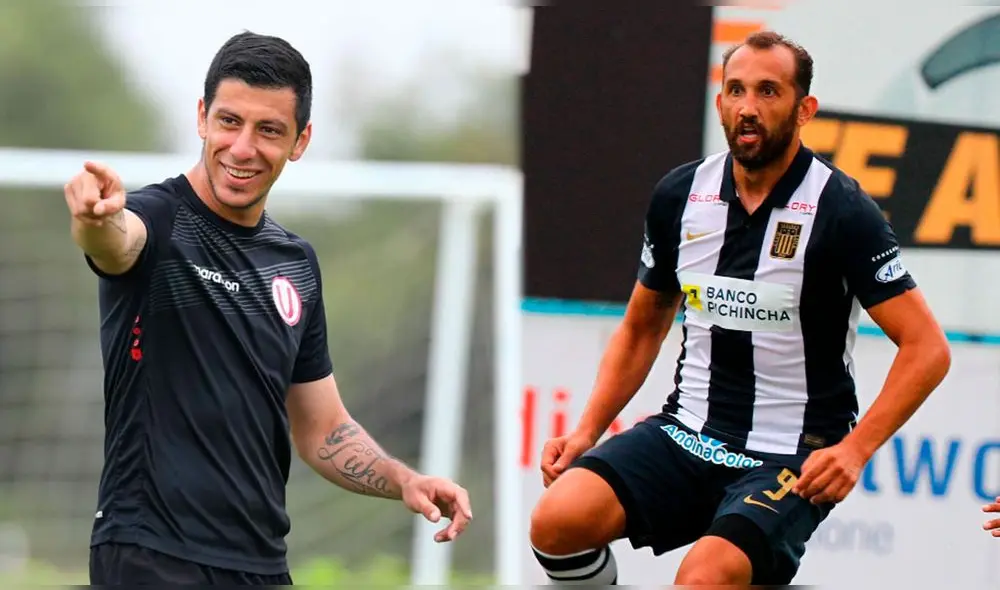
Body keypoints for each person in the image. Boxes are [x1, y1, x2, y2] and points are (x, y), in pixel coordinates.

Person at [528, 30, 951, 586]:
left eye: (768, 91)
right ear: (720, 101)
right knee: (555, 523)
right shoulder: (680, 196)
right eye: (736, 90)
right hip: (688, 432)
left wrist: (854, 451)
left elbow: (927, 349)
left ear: (804, 110)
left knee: (704, 577)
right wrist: (587, 430)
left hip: (792, 454)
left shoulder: (843, 210)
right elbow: (641, 328)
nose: (748, 107)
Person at [63, 31, 472, 586]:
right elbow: (117, 241)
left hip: (260, 565)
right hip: (150, 553)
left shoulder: (296, 264)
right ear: (202, 118)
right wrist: (96, 219)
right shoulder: (158, 220)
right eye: (229, 122)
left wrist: (404, 480)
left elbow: (323, 429)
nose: (242, 147)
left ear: (300, 141)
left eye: (269, 130)